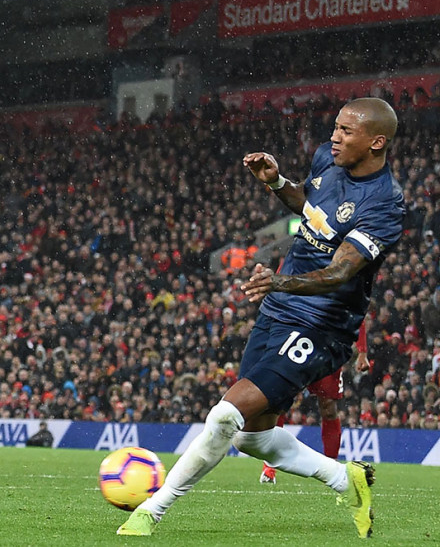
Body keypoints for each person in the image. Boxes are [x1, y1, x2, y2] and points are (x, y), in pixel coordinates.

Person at [118, 98, 404, 539]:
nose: (335, 136)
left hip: (321, 326)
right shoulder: (326, 160)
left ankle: (151, 512)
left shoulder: (385, 204)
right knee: (250, 437)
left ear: (377, 142)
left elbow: (341, 272)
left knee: (224, 416)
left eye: (348, 131)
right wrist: (278, 183)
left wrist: (279, 282)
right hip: (278, 311)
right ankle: (346, 479)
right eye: (336, 127)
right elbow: (311, 208)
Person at [258, 322, 368, 484]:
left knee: (329, 408)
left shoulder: (342, 297)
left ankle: (332, 467)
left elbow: (358, 314)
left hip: (329, 351)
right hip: (301, 345)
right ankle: (269, 466)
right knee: (280, 401)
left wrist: (362, 352)